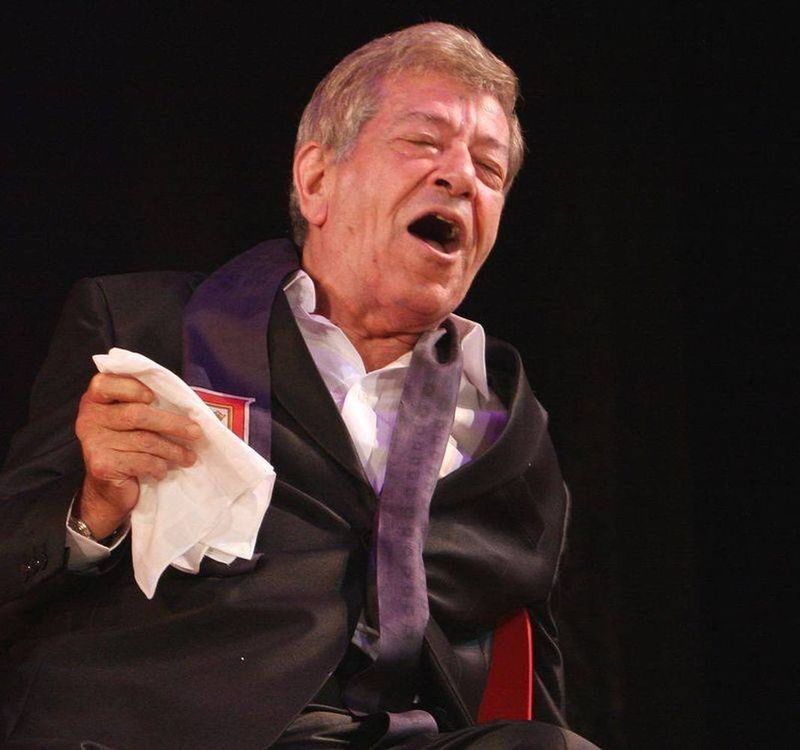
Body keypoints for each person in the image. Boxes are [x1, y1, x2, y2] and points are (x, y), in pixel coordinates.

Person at [0, 23, 599, 750]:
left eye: (490, 168)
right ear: (316, 180)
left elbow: (530, 644)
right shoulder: (143, 329)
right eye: (423, 142)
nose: (461, 177)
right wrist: (92, 508)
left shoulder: (506, 413)